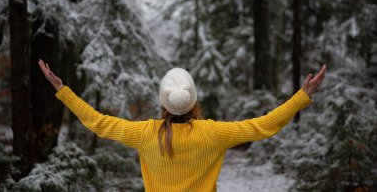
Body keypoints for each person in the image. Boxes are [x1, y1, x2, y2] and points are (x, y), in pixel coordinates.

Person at [38, 59, 326, 192]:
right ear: (194, 101)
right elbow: (262, 126)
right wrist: (302, 97)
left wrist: (63, 90)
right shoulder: (213, 133)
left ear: (163, 103)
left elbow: (98, 123)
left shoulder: (144, 133)